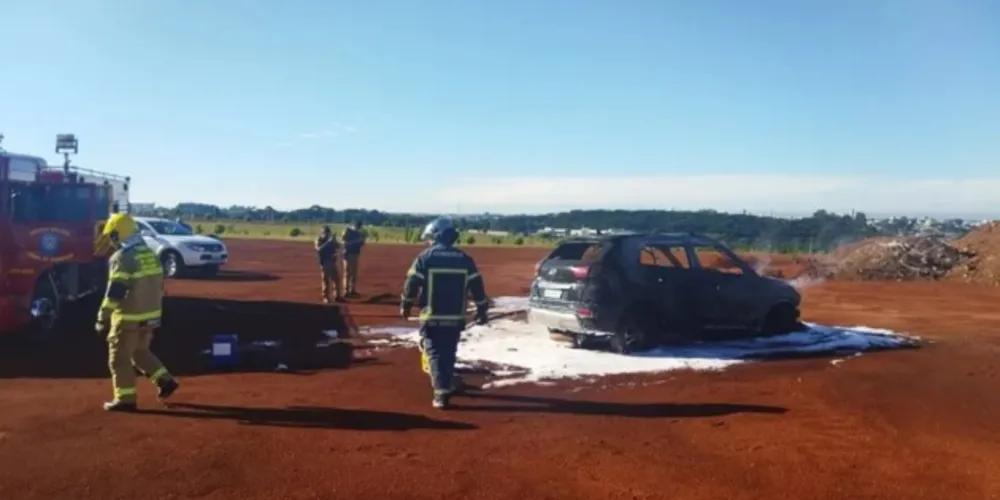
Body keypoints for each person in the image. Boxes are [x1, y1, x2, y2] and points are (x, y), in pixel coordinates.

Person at [400, 217, 490, 409]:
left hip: (432, 316)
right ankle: (447, 383)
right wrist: (482, 310)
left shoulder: (425, 258)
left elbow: (411, 284)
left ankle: (441, 394)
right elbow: (477, 287)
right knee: (448, 352)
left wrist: (406, 305)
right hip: (455, 317)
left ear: (436, 236)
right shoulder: (465, 259)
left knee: (433, 352)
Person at [94, 213, 179, 412]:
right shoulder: (150, 254)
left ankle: (125, 399)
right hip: (150, 316)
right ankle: (165, 380)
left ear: (117, 235)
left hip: (128, 318)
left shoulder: (122, 258)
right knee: (140, 351)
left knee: (119, 358)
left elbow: (115, 292)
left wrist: (102, 318)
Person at [315, 226, 345, 303]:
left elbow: (338, 246)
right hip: (325, 262)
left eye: (328, 233)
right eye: (326, 233)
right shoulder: (319, 239)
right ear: (323, 233)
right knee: (326, 280)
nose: (327, 234)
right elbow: (318, 249)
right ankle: (326, 297)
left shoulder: (331, 240)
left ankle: (337, 296)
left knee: (337, 279)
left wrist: (334, 241)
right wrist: (328, 242)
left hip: (332, 262)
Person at [340, 220, 366, 298]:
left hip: (355, 254)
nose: (359, 228)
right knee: (347, 273)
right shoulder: (347, 231)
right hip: (348, 254)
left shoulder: (359, 233)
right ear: (355, 225)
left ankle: (352, 290)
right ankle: (346, 291)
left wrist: (362, 241)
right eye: (358, 227)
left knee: (354, 273)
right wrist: (355, 241)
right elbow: (343, 242)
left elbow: (361, 244)